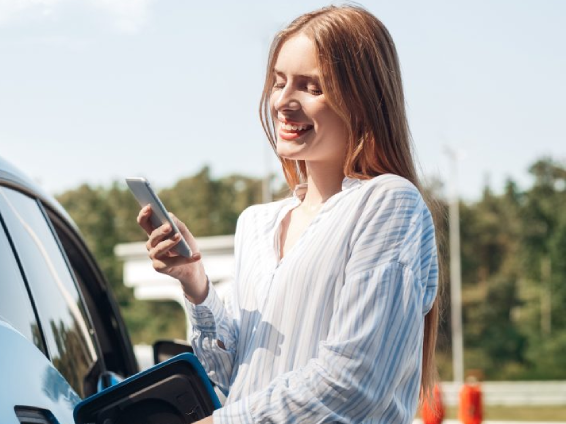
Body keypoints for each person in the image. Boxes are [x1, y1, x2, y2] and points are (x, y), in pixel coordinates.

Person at [136, 5, 440, 423]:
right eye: (279, 83)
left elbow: (357, 382)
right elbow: (231, 379)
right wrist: (195, 283)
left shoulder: (387, 203)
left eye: (311, 87)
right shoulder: (255, 223)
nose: (283, 102)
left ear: (364, 100)